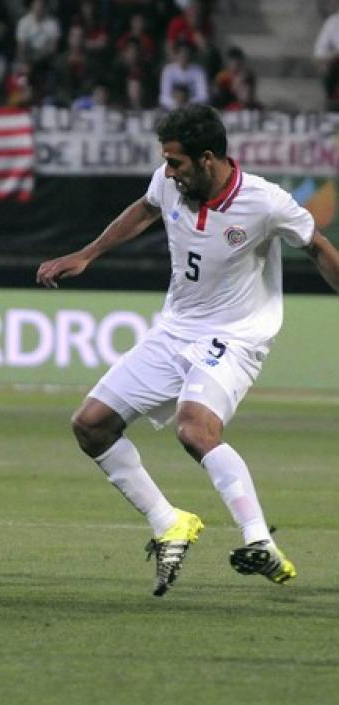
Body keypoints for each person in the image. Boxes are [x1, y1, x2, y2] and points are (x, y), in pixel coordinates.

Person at [36, 104, 339, 596]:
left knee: (194, 427)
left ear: (206, 159)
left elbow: (318, 246)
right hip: (175, 329)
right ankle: (168, 520)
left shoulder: (266, 202)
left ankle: (258, 539)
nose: (168, 171)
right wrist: (87, 254)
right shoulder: (170, 181)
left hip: (235, 336)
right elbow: (145, 208)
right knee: (89, 425)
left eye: (176, 163)